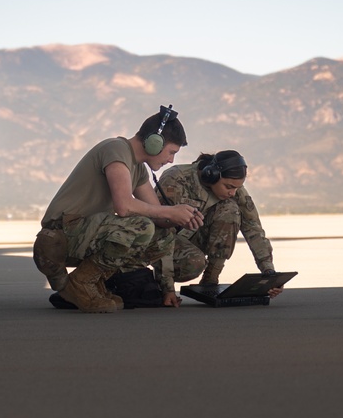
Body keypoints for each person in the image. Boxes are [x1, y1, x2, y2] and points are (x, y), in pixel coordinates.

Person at [33, 105, 203, 313]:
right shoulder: (116, 150)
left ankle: (95, 281)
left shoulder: (138, 168)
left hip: (86, 235)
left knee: (161, 235)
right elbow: (124, 206)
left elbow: (157, 215)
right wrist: (169, 212)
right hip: (62, 234)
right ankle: (81, 282)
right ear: (154, 143)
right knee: (140, 226)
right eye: (171, 152)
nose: (171, 160)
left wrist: (182, 215)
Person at [155, 150, 283, 298]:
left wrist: (270, 274)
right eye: (228, 187)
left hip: (191, 238)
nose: (233, 193)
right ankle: (153, 279)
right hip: (159, 243)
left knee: (230, 209)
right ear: (211, 175)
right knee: (193, 263)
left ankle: (210, 279)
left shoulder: (234, 189)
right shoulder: (176, 179)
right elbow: (161, 232)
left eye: (236, 188)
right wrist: (167, 288)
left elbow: (253, 228)